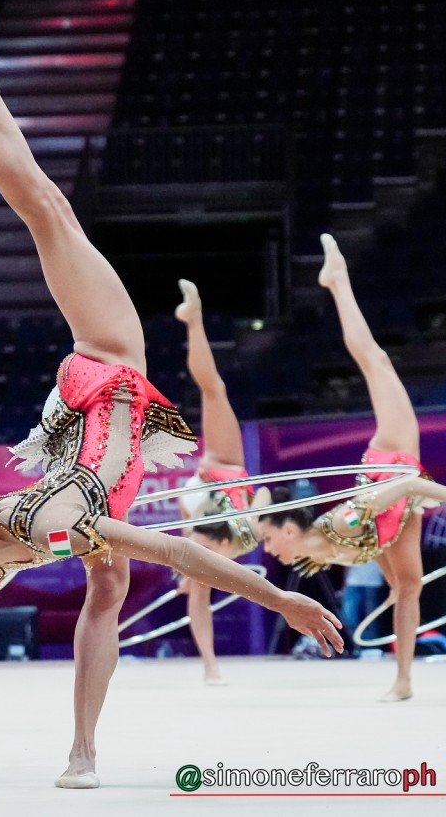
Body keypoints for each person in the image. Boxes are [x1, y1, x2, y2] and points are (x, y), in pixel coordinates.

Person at [0, 0, 345, 788]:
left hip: (107, 361)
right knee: (106, 588)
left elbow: (177, 549)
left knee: (47, 210)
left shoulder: (45, 522)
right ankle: (83, 751)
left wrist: (281, 601)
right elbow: (20, 549)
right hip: (94, 418)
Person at [253, 234, 446, 701]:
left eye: (270, 541)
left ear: (290, 531)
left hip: (394, 464)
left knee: (377, 360)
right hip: (392, 517)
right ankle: (404, 681)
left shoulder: (345, 521)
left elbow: (410, 484)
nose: (269, 551)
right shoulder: (318, 547)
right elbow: (365, 544)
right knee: (408, 588)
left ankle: (338, 281)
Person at [171, 279, 274, 685]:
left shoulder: (202, 542)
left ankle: (193, 319)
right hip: (230, 470)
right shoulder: (240, 537)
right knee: (214, 389)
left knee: (214, 389)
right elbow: (263, 493)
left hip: (217, 472)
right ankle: (193, 318)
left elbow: (187, 527)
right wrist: (252, 511)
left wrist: (186, 574)